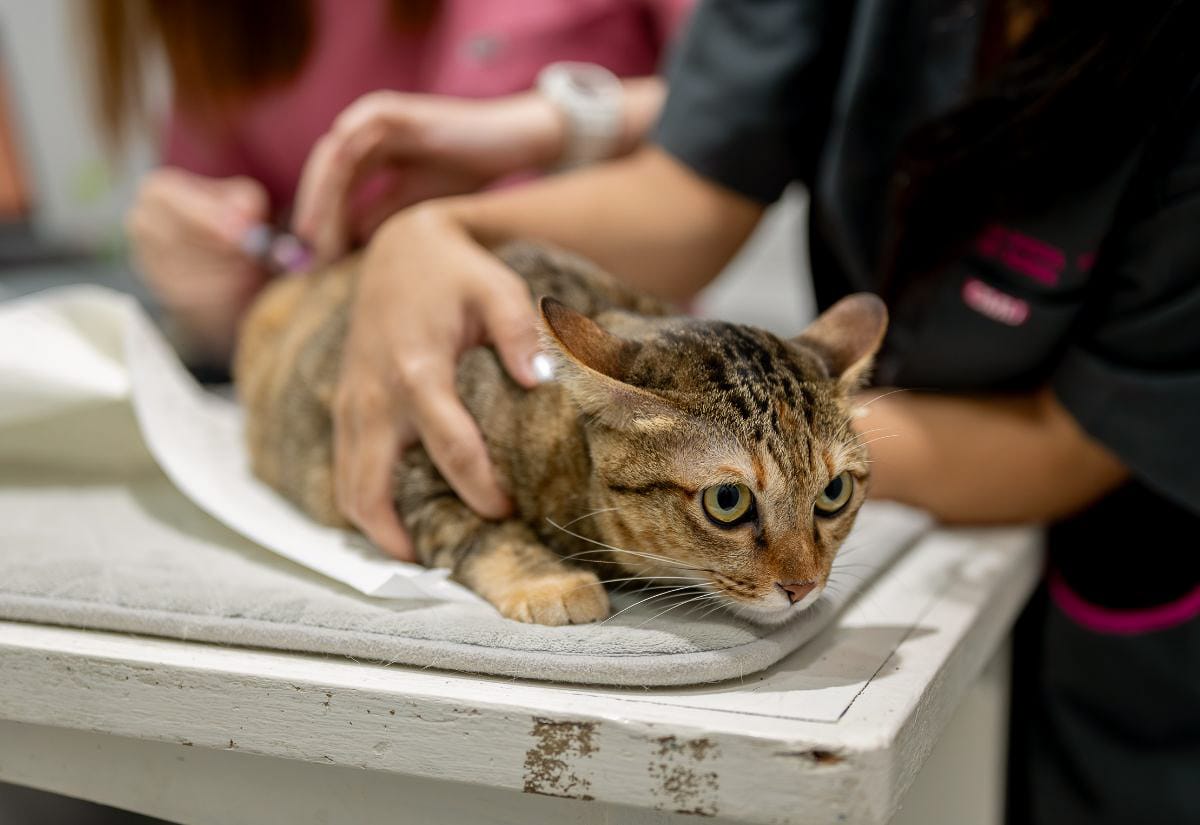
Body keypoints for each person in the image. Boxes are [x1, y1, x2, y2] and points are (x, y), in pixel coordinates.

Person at [289, 1, 1200, 823]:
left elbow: (1078, 443)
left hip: (1137, 566)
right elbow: (692, 192)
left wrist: (776, 470)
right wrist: (438, 230)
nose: (804, 577)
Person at [88, 0, 692, 365]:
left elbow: (757, 103)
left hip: (615, 371)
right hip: (347, 391)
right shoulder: (213, 24)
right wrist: (209, 282)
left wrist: (557, 125)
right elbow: (242, 253)